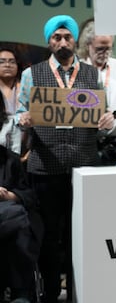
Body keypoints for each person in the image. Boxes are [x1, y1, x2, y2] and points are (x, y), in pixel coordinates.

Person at [16, 14, 114, 303]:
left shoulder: (91, 74)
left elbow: (101, 111)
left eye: (66, 37)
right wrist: (23, 119)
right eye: (56, 37)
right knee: (48, 235)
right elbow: (22, 112)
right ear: (48, 41)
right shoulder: (31, 74)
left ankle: (78, 290)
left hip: (83, 164)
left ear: (75, 40)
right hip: (45, 166)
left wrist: (107, 119)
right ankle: (49, 291)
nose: (62, 42)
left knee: (81, 233)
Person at [78, 19, 116, 166]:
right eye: (100, 48)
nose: (105, 53)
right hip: (85, 146)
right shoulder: (77, 68)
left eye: (109, 48)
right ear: (88, 45)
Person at [0, 96, 43, 303]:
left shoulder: (9, 159)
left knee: (21, 219)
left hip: (9, 227)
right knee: (16, 215)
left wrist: (10, 195)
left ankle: (22, 292)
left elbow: (28, 195)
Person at [0, 47, 22, 154]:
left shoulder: (25, 89)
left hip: (22, 148)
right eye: (2, 62)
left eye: (12, 62)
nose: (7, 65)